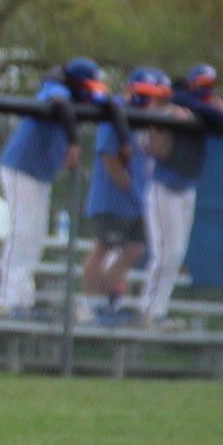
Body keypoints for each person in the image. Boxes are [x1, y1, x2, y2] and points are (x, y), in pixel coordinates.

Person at [0, 58, 129, 318]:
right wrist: (74, 143)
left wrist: (124, 141)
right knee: (24, 234)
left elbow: (111, 103)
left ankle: (21, 300)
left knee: (34, 236)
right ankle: (8, 301)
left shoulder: (82, 94)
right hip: (21, 169)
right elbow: (59, 103)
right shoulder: (57, 89)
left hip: (37, 175)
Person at [137, 64, 223, 329]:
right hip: (165, 188)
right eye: (203, 85)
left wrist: (222, 107)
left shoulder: (201, 107)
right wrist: (209, 109)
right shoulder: (180, 98)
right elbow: (182, 99)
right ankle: (149, 312)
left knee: (176, 254)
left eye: (210, 86)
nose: (207, 91)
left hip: (186, 189)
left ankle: (156, 311)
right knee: (166, 253)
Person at [81, 68, 172, 325]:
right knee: (103, 247)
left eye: (151, 95)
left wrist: (160, 122)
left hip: (138, 202)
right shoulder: (116, 112)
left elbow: (158, 151)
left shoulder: (149, 118)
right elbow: (110, 159)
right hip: (113, 200)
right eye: (141, 94)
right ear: (128, 90)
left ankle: (106, 302)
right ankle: (90, 305)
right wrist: (132, 191)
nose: (146, 100)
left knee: (133, 250)